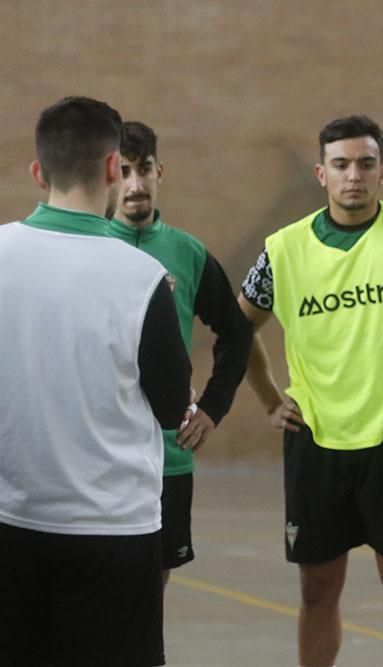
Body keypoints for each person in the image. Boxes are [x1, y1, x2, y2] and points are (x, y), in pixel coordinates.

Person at [238, 115, 383, 667]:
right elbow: (238, 331)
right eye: (342, 165)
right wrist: (269, 399)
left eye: (366, 164)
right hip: (315, 440)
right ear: (321, 174)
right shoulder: (283, 250)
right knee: (316, 589)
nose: (355, 175)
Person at [0, 96, 191, 666]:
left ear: (39, 172)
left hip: (11, 519)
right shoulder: (143, 277)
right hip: (113, 531)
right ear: (114, 167)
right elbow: (169, 406)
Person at [110, 120, 253, 586]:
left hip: (168, 457)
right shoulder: (90, 247)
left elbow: (236, 333)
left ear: (159, 171)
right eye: (125, 172)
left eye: (144, 170)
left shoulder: (187, 253)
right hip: (102, 453)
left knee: (154, 581)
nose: (135, 185)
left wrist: (212, 407)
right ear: (110, 175)